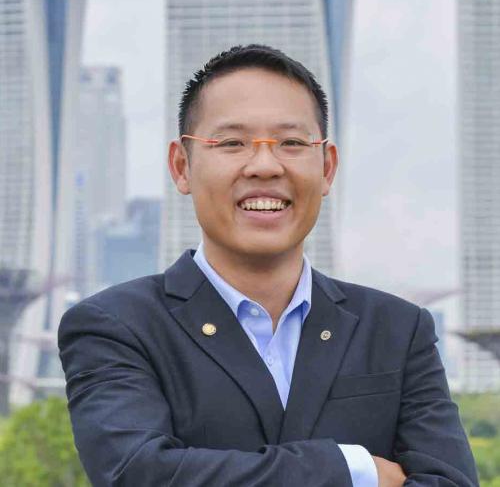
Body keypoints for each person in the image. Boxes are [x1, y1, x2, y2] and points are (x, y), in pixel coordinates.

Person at [59, 44, 478, 487]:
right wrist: (353, 469)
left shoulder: (397, 329)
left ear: (327, 168)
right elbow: (138, 474)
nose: (264, 165)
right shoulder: (117, 327)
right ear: (181, 167)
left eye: (292, 143)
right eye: (232, 143)